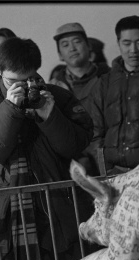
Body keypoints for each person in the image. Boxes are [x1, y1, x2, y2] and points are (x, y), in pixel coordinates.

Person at [0, 36, 94, 260]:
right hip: (10, 218)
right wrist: (10, 108)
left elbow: (76, 143)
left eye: (28, 79)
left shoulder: (56, 97)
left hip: (57, 211)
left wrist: (50, 115)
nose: (22, 87)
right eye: (13, 81)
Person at [86, 15, 139, 176]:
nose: (133, 50)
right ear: (118, 43)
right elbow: (95, 132)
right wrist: (106, 171)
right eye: (126, 43)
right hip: (116, 174)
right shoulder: (105, 82)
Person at [50, 22, 110, 175]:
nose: (72, 48)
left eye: (77, 41)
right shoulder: (53, 89)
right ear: (59, 55)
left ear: (89, 46)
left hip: (108, 158)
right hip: (73, 166)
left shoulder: (109, 78)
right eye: (65, 44)